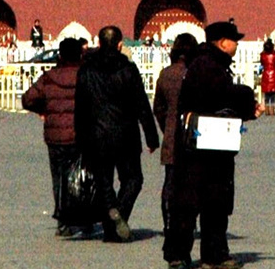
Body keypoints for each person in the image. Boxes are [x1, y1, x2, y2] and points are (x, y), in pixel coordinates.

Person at [164, 20, 258, 269]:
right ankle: (188, 254)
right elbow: (221, 96)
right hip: (203, 145)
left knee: (211, 200)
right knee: (195, 200)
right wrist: (247, 98)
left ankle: (206, 253)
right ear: (223, 42)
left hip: (209, 143)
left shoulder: (207, 63)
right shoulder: (208, 66)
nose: (237, 45)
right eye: (234, 40)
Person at [74, 25, 161, 242]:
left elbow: (80, 108)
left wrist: (81, 137)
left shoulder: (86, 70)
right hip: (125, 134)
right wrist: (151, 136)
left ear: (99, 43)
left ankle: (111, 218)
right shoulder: (128, 69)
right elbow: (142, 104)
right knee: (133, 179)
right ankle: (118, 216)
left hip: (96, 135)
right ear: (121, 45)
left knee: (104, 181)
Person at [22, 38, 86, 236]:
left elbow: (27, 99)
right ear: (80, 55)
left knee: (59, 178)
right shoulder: (85, 76)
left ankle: (63, 221)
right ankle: (82, 218)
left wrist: (43, 109)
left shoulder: (48, 77)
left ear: (60, 55)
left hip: (55, 136)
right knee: (79, 177)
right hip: (80, 135)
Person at [152, 32, 198, 231]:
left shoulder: (166, 74)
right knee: (192, 182)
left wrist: (167, 127)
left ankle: (168, 222)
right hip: (196, 135)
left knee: (170, 182)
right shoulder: (196, 73)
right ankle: (189, 222)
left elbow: (158, 108)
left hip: (172, 135)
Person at [257, 39, 275, 115]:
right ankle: (272, 109)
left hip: (266, 73)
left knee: (266, 93)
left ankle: (267, 109)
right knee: (272, 93)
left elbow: (262, 62)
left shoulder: (263, 55)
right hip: (274, 73)